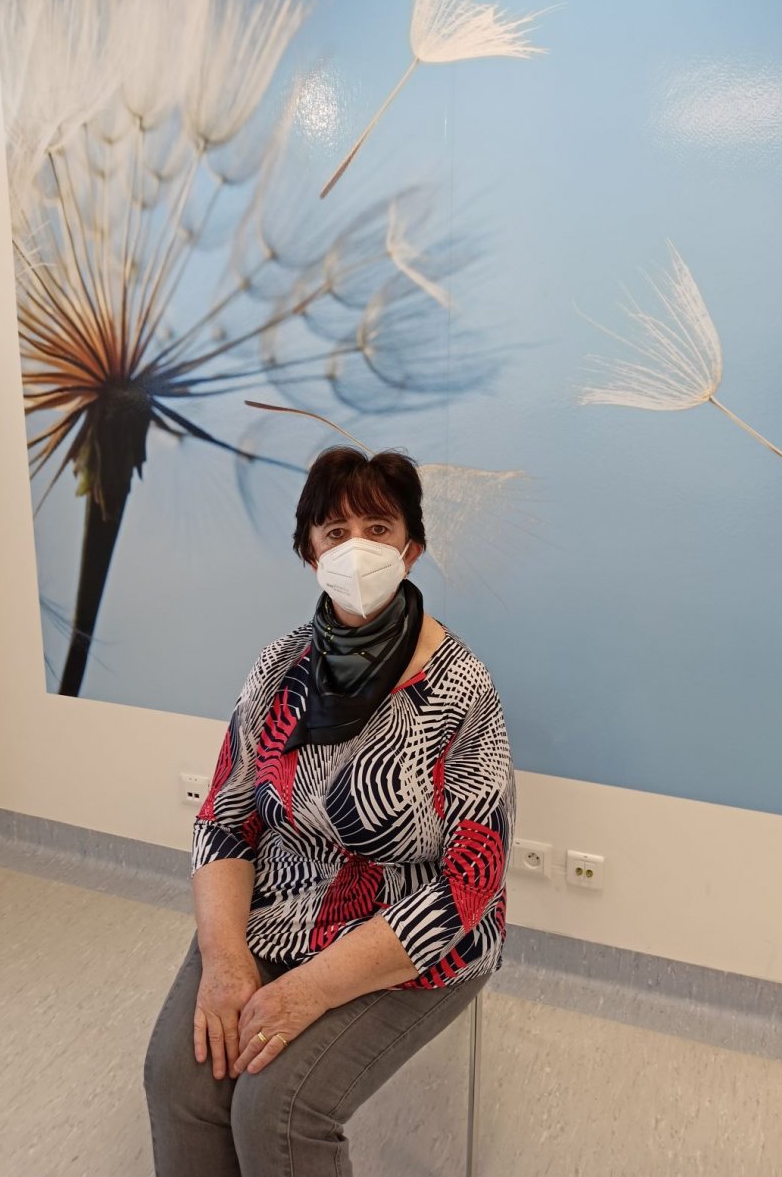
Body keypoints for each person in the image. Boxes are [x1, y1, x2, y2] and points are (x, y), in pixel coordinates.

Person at [143, 446, 517, 1177]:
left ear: (411, 548)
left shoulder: (460, 687)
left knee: (275, 1108)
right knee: (179, 1082)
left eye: (378, 528)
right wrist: (225, 960)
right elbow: (224, 818)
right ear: (310, 553)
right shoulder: (279, 667)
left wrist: (310, 989)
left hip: (409, 935)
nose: (357, 548)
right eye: (336, 532)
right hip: (278, 910)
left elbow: (471, 880)